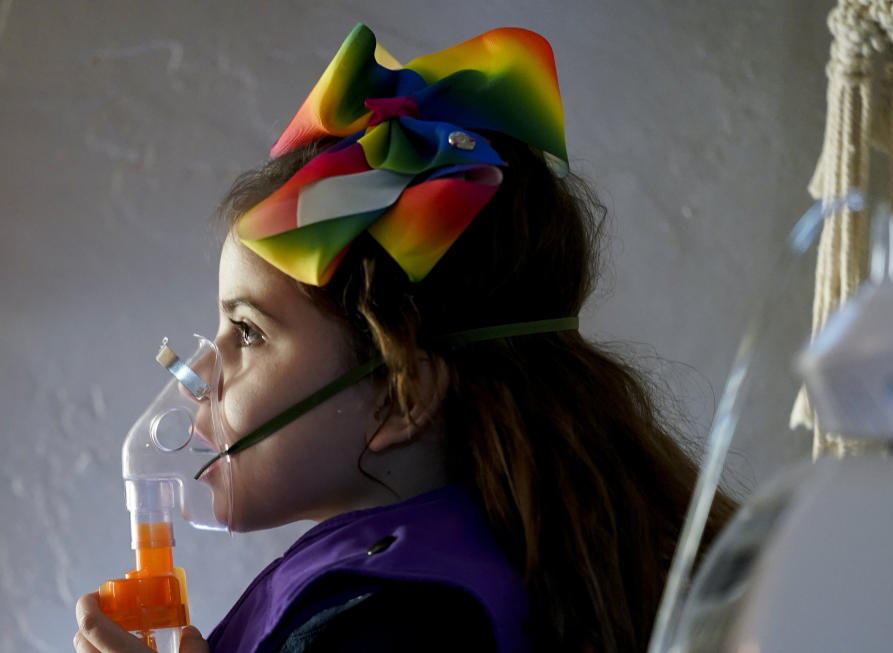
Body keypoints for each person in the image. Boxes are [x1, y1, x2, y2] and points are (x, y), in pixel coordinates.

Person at [75, 23, 733, 653]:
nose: (199, 371)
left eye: (247, 331)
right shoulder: (426, 573)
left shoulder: (398, 629)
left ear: (399, 394)